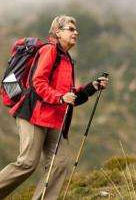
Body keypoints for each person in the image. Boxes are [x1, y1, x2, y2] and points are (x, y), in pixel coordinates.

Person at [0, 15, 109, 199]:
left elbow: (69, 95)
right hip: (33, 115)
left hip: (55, 119)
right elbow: (38, 83)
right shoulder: (49, 50)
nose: (76, 32)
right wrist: (60, 98)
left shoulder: (66, 58)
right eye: (71, 29)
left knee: (59, 164)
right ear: (57, 32)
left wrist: (92, 87)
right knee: (27, 162)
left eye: (76, 30)